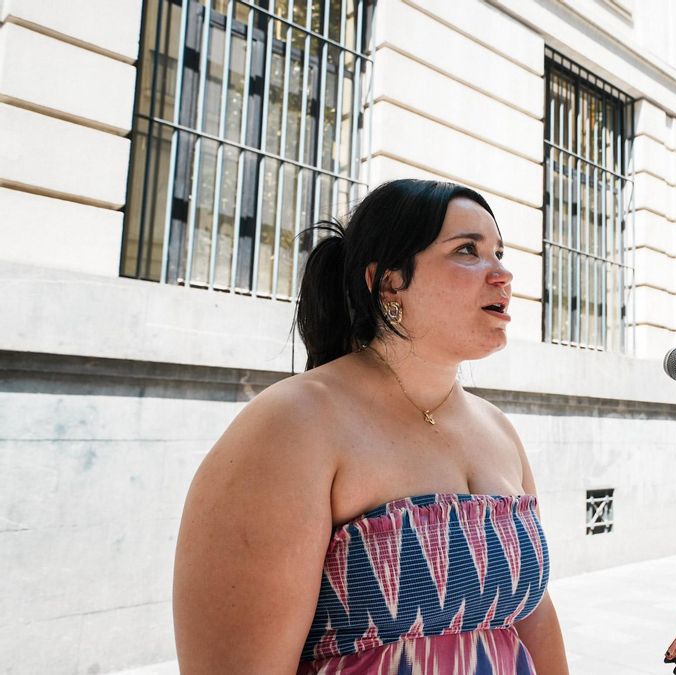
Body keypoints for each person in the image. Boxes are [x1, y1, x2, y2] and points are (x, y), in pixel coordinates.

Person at [172, 179, 570, 674]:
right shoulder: (293, 423)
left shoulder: (499, 429)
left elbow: (533, 617)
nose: (503, 274)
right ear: (388, 282)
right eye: (468, 250)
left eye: (500, 252)